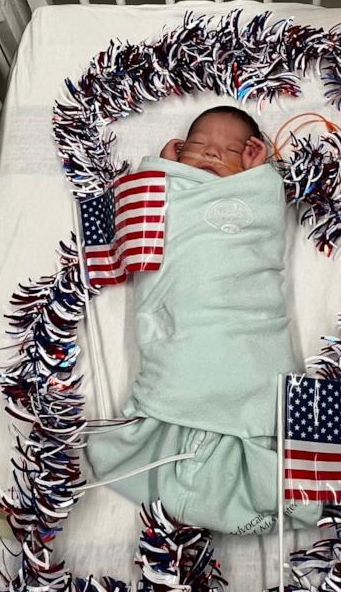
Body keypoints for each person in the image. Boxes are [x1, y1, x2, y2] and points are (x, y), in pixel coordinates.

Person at [87, 105, 321, 534]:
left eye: (231, 150)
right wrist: (162, 168)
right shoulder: (169, 189)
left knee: (259, 392)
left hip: (247, 324)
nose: (212, 154)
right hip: (182, 322)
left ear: (250, 161)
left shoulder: (255, 191)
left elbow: (267, 221)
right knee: (178, 359)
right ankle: (190, 444)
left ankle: (245, 458)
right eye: (199, 145)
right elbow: (144, 204)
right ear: (179, 151)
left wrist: (259, 178)